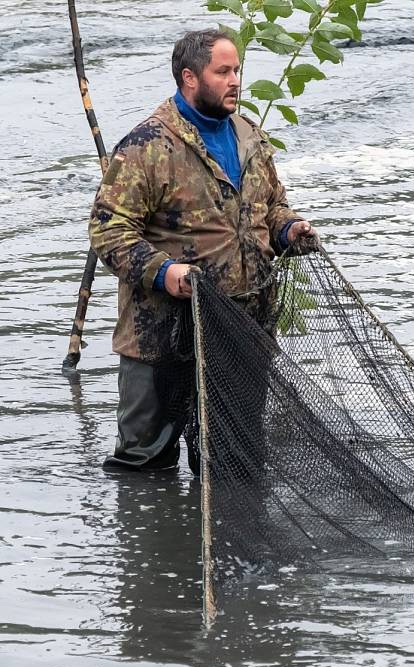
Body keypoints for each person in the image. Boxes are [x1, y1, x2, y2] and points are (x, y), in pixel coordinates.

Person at [89, 29, 318, 472]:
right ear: (189, 78)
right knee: (144, 464)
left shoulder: (249, 135)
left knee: (233, 463)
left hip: (242, 330)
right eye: (224, 72)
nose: (236, 81)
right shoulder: (146, 146)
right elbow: (108, 231)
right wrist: (165, 273)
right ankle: (153, 538)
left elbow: (270, 206)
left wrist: (289, 229)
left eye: (238, 71)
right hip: (161, 337)